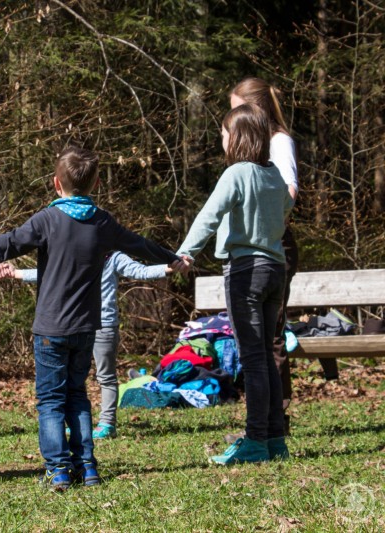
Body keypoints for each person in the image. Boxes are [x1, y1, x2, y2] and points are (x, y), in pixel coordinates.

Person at [0, 147, 184, 491]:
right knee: (77, 396)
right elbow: (140, 244)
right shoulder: (103, 222)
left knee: (51, 400)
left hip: (51, 329)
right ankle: (88, 468)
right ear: (96, 182)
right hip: (86, 329)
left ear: (55, 183)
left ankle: (59, 470)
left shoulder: (47, 220)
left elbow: (3, 246)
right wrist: (173, 259)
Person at [176, 104, 293, 464]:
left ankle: (255, 440)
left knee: (254, 359)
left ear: (238, 137)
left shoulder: (236, 174)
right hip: (276, 270)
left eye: (224, 133)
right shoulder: (273, 175)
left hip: (245, 272)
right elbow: (284, 210)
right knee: (265, 359)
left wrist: (186, 253)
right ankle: (275, 439)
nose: (221, 139)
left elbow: (209, 215)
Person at [0, 253, 172, 440]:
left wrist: (169, 267)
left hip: (104, 325)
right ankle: (77, 424)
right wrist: (16, 273)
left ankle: (107, 424)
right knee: (74, 377)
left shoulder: (114, 257)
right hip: (75, 324)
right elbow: (48, 273)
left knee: (106, 376)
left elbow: (141, 271)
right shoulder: (74, 251)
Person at [230, 77, 307, 435]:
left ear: (255, 110)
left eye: (237, 110)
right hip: (259, 246)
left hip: (273, 246)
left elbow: (288, 191)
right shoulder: (262, 145)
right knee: (259, 339)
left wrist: (261, 224)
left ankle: (273, 423)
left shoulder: (279, 142)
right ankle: (266, 420)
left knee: (270, 338)